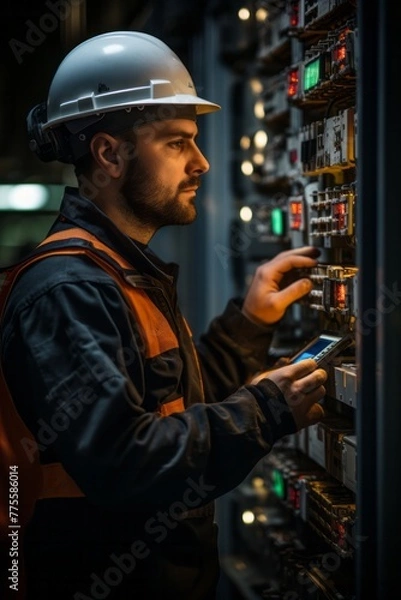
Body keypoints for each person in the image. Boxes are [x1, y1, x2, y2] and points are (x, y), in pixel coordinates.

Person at [0, 31, 327, 600]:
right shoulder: (70, 289)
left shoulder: (117, 271)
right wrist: (266, 409)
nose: (201, 162)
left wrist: (248, 324)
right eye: (177, 143)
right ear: (109, 153)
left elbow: (169, 404)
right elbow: (124, 462)